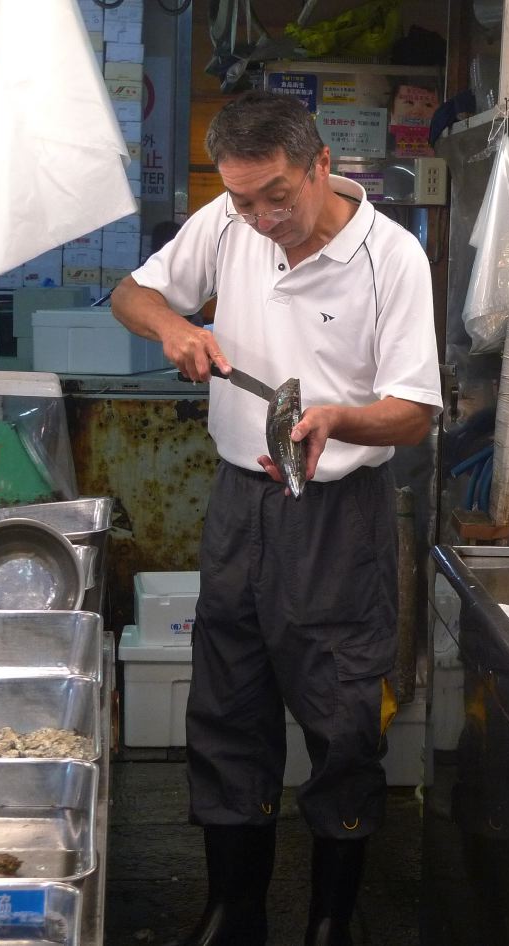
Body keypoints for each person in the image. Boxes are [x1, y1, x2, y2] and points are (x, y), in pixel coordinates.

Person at [112, 90, 442, 946]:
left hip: (338, 517)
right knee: (227, 704)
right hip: (239, 504)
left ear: (321, 163)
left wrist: (342, 419)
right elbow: (130, 294)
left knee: (341, 718)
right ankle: (235, 910)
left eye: (277, 197)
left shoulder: (392, 257)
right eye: (243, 198)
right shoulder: (225, 224)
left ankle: (332, 918)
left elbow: (414, 413)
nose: (261, 218)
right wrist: (172, 327)